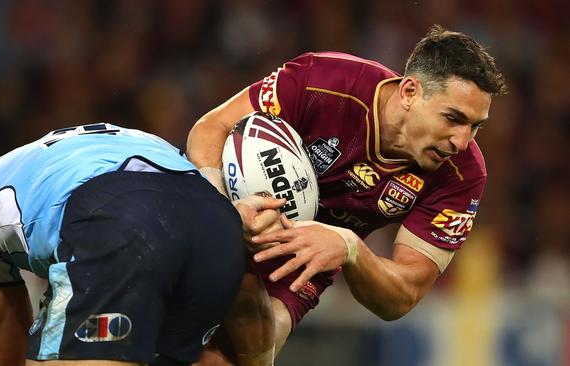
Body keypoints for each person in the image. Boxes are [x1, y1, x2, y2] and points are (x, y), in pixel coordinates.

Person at [187, 25, 507, 364]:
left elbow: (403, 294)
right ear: (410, 92)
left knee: (230, 358)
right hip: (225, 208)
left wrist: (350, 248)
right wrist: (227, 210)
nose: (461, 141)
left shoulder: (463, 174)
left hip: (301, 268)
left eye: (475, 126)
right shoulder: (325, 81)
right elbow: (211, 128)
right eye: (453, 118)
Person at [0, 123, 284, 366]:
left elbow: (5, 354)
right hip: (215, 218)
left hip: (118, 214)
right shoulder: (145, 140)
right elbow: (246, 295)